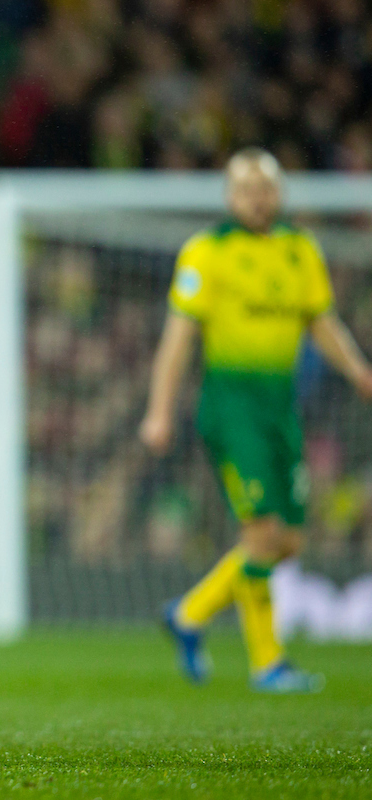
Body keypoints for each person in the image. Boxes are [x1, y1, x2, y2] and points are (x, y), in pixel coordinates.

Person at [140, 148, 372, 693]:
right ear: (228, 195)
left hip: (280, 408)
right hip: (231, 407)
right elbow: (177, 341)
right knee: (262, 533)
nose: (257, 197)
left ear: (280, 193)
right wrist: (158, 411)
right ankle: (268, 664)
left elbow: (323, 323)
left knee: (288, 540)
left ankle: (190, 614)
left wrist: (360, 371)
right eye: (245, 188)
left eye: (265, 187)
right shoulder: (206, 253)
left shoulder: (299, 250)